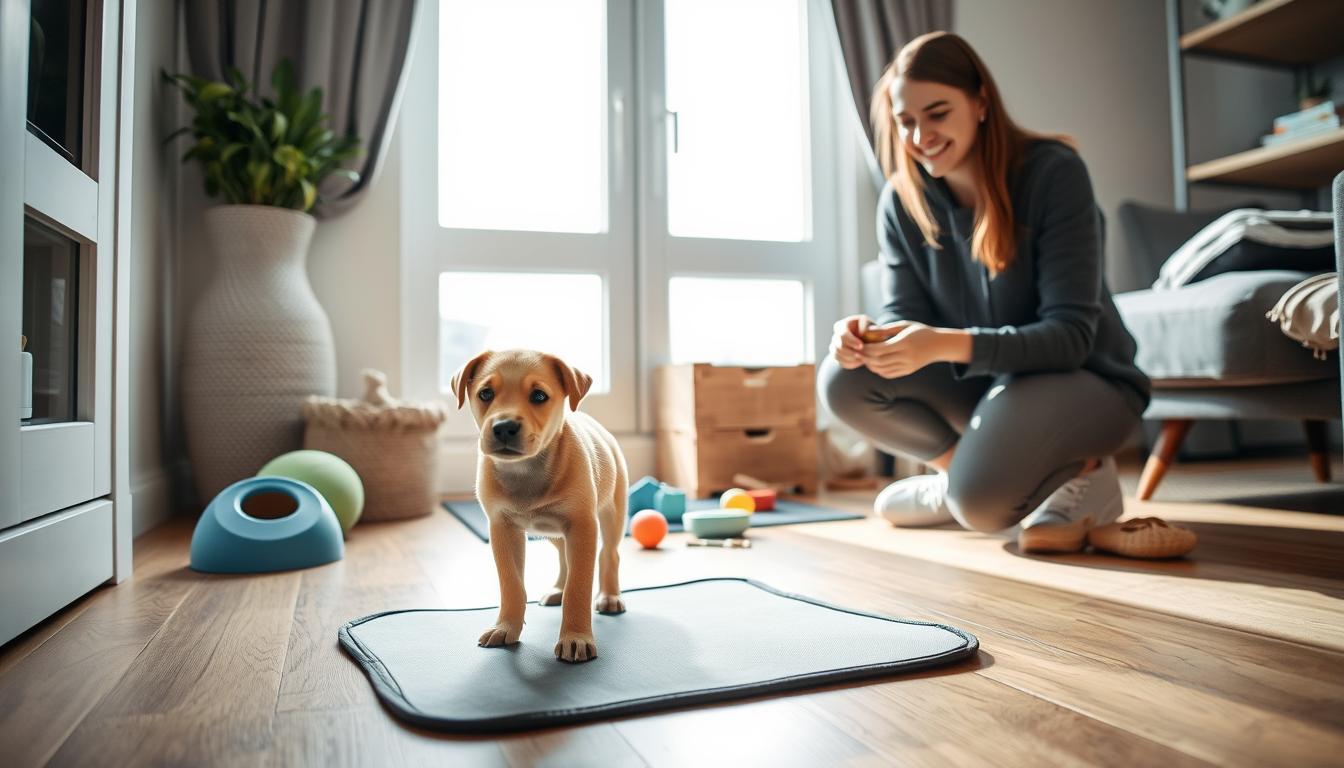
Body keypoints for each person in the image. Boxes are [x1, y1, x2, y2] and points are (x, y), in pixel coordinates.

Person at [817, 31, 1151, 553]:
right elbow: (906, 316)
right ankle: (962, 477)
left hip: (1089, 382)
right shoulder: (901, 203)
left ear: (980, 103)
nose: (920, 135)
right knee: (843, 378)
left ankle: (1086, 472)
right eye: (906, 122)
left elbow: (1070, 338)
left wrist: (944, 344)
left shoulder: (1053, 174)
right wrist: (869, 338)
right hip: (995, 386)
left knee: (983, 509)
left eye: (937, 113)